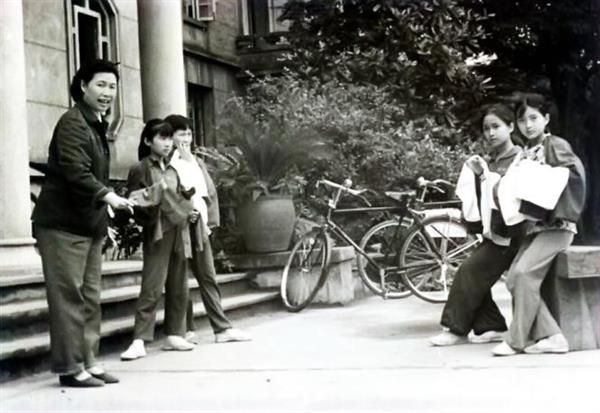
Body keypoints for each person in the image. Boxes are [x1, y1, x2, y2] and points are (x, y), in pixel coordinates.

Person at [32, 59, 134, 387]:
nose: (107, 92)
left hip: (88, 224)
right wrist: (108, 196)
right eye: (100, 85)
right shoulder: (73, 122)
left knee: (90, 297)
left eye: (112, 86)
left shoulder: (96, 124)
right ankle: (70, 368)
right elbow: (76, 170)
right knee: (69, 299)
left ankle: (89, 361)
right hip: (61, 225)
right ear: (83, 86)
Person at [491, 93, 586, 356]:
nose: (528, 125)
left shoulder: (555, 144)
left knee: (523, 274)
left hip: (558, 228)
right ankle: (553, 336)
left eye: (534, 118)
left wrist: (540, 175)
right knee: (514, 279)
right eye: (523, 121)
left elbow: (574, 176)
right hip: (537, 229)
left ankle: (516, 340)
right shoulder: (526, 151)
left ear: (546, 118)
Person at [429, 103, 522, 346]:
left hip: (514, 233)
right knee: (473, 273)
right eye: (486, 128)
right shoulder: (491, 160)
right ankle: (491, 326)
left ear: (511, 127)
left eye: (496, 126)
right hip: (497, 233)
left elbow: (510, 195)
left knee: (469, 271)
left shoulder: (519, 158)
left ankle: (455, 329)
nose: (490, 133)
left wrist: (485, 177)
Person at [164, 114, 251, 344]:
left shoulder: (195, 161)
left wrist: (210, 222)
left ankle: (221, 328)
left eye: (189, 134)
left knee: (207, 275)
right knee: (179, 279)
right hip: (178, 226)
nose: (186, 139)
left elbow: (206, 191)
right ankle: (186, 329)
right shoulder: (166, 162)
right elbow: (175, 193)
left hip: (199, 224)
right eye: (181, 134)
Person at [120, 119, 197, 361]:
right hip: (157, 231)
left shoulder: (174, 167)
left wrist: (186, 206)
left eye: (169, 138)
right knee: (152, 285)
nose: (167, 143)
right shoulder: (141, 168)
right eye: (162, 138)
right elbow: (134, 201)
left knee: (179, 283)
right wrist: (157, 196)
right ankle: (140, 339)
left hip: (179, 229)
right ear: (147, 141)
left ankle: (175, 333)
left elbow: (184, 192)